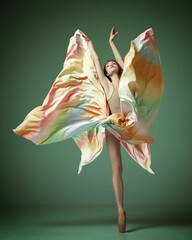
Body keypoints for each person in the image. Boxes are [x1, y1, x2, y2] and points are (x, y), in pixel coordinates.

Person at [81, 26, 127, 233]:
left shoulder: (126, 82)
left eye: (113, 63)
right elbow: (97, 62)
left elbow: (125, 64)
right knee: (117, 168)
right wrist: (90, 43)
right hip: (113, 127)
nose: (110, 65)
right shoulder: (107, 86)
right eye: (108, 66)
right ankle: (120, 210)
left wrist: (112, 43)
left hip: (131, 125)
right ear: (106, 73)